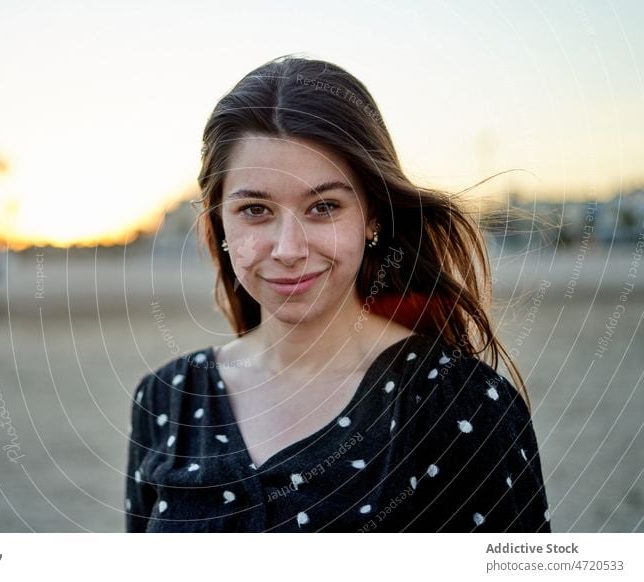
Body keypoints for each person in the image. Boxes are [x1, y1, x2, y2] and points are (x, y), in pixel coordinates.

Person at [124, 55, 551, 533]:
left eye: (324, 206)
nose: (288, 249)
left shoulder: (463, 405)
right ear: (218, 222)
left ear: (372, 216)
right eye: (255, 209)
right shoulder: (167, 399)